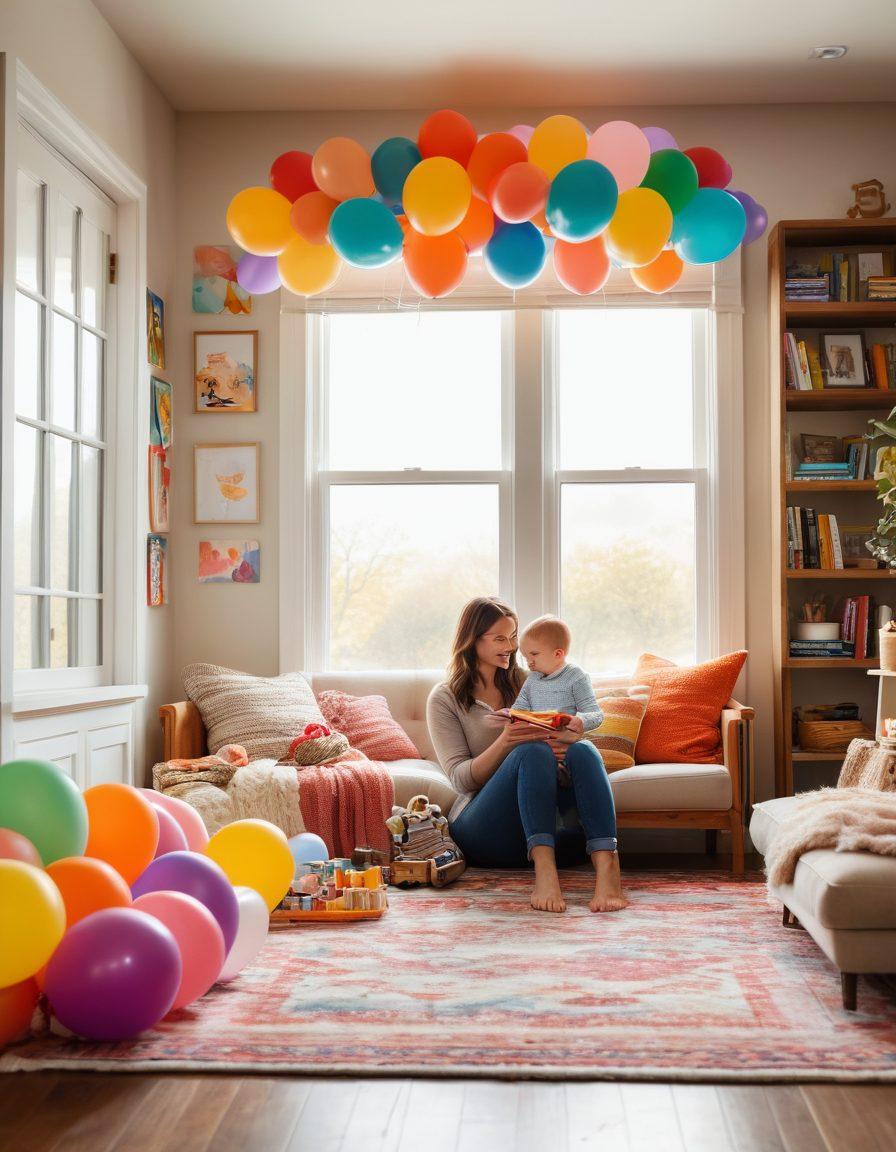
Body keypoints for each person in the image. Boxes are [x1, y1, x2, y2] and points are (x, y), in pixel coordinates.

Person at [426, 596, 627, 915]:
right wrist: (507, 741)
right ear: (472, 640)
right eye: (500, 638)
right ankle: (545, 872)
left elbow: (571, 742)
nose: (511, 647)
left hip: (551, 829)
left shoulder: (533, 680)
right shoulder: (446, 697)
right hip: (484, 830)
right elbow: (461, 779)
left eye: (514, 636)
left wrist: (567, 739)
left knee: (585, 749)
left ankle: (608, 870)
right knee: (529, 750)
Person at [511, 614, 604, 784]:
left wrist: (580, 721)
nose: (529, 663)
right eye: (526, 657)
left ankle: (563, 772)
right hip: (538, 747)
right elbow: (519, 709)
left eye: (534, 655)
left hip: (566, 745)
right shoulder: (532, 680)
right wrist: (510, 716)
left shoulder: (576, 677)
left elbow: (596, 714)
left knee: (580, 753)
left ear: (558, 654)